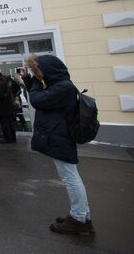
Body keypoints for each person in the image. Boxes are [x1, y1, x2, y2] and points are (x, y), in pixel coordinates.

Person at [20, 54, 94, 236]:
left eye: (38, 71)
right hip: (59, 136)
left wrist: (35, 81)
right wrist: (30, 80)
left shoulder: (63, 88)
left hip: (60, 137)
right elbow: (42, 97)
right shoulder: (60, 86)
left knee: (70, 178)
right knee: (70, 176)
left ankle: (79, 218)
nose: (39, 74)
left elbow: (38, 100)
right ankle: (82, 216)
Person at [0, 71, 18, 144]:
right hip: (7, 106)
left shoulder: (0, 84)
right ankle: (12, 138)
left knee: (5, 123)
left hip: (3, 107)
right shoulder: (4, 82)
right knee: (9, 123)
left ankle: (8, 139)